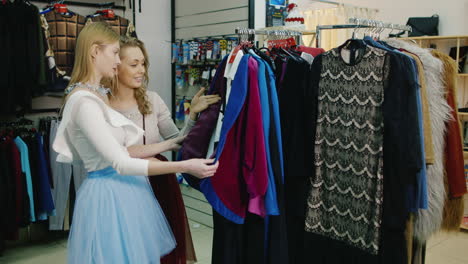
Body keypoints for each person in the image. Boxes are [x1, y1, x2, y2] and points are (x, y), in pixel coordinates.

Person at [52, 22, 218, 264]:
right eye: (116, 54)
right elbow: (122, 160)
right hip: (114, 190)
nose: (118, 61)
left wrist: (180, 134)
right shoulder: (88, 102)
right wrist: (185, 166)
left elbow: (134, 149)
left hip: (130, 187)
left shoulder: (95, 97)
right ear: (95, 52)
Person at [108, 36, 221, 263]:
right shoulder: (102, 104)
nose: (141, 70)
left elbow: (176, 139)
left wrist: (193, 115)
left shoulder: (153, 100)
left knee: (159, 251)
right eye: (134, 64)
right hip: (122, 184)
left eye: (143, 64)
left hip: (159, 179)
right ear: (115, 66)